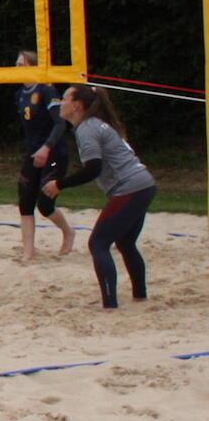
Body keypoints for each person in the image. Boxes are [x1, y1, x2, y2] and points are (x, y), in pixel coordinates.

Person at [43, 85, 159, 309]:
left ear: (76, 106)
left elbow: (93, 168)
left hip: (130, 188)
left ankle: (110, 304)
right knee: (125, 242)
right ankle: (139, 296)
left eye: (64, 98)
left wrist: (59, 184)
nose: (60, 102)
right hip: (144, 184)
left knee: (98, 243)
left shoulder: (87, 128)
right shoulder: (96, 125)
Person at [13, 51, 75, 261]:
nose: (16, 69)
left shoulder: (47, 90)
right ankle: (28, 251)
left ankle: (68, 231)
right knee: (25, 200)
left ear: (32, 66)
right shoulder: (20, 94)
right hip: (32, 153)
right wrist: (33, 149)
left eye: (21, 64)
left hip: (55, 153)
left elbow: (60, 124)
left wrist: (46, 147)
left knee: (45, 203)